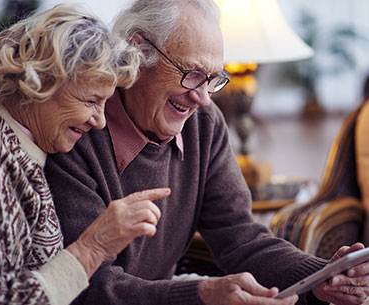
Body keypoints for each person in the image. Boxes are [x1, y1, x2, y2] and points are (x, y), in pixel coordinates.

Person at [45, 1, 369, 305]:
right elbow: (86, 286)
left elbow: (241, 239)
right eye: (192, 73)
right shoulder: (75, 131)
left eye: (213, 79)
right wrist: (199, 295)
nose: (201, 97)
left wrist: (321, 274)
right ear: (138, 51)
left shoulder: (203, 122)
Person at [0, 4, 171, 305]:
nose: (99, 120)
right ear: (41, 82)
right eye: (91, 101)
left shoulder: (28, 141)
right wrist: (92, 248)